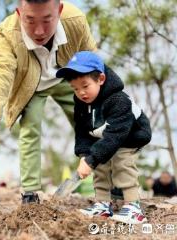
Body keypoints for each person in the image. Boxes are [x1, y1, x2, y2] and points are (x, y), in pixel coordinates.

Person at [0, 0, 97, 204]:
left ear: (59, 10)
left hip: (69, 78)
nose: (39, 31)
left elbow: (93, 61)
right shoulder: (9, 33)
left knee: (92, 123)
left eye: (47, 20)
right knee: (30, 128)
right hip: (33, 85)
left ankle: (107, 182)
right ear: (19, 13)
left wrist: (109, 104)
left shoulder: (75, 20)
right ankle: (30, 192)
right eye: (30, 20)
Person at [56, 51, 152, 224]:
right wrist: (85, 156)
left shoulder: (118, 100)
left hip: (130, 133)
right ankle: (102, 204)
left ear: (100, 79)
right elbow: (82, 130)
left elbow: (116, 135)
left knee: (121, 161)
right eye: (75, 88)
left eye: (85, 86)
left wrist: (93, 158)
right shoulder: (81, 103)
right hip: (105, 134)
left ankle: (133, 207)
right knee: (99, 163)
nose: (81, 93)